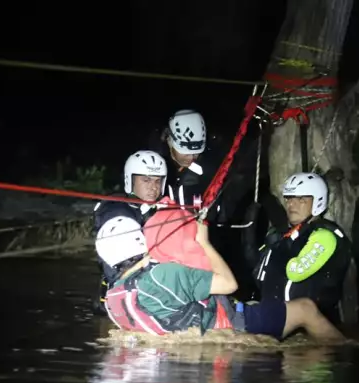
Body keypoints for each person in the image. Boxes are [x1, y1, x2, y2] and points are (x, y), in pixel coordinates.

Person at [96, 202, 344, 341]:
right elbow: (229, 284)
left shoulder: (114, 295)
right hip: (233, 325)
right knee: (306, 309)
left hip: (190, 331)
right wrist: (204, 242)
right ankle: (345, 352)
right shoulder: (165, 276)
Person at [243, 173, 353, 321]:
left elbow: (296, 272)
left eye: (301, 199)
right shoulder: (288, 234)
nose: (291, 204)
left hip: (308, 324)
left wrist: (280, 246)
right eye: (289, 198)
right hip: (276, 315)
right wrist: (248, 233)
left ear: (317, 201)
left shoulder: (324, 236)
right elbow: (260, 271)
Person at [92, 150, 168, 312]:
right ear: (130, 180)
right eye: (146, 180)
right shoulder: (117, 209)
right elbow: (127, 266)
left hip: (145, 297)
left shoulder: (155, 208)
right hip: (119, 304)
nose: (153, 187)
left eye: (157, 181)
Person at [155, 109, 211, 208]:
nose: (192, 157)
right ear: (169, 141)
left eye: (196, 152)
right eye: (185, 152)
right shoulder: (154, 167)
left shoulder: (208, 169)